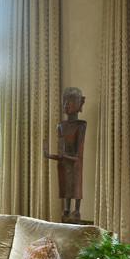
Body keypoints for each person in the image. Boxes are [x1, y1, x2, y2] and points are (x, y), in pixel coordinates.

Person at [43, 87, 86, 223]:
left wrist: (65, 156)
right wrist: (48, 155)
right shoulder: (60, 125)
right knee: (66, 187)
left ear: (80, 104)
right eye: (64, 101)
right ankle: (67, 208)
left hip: (75, 163)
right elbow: (61, 152)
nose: (66, 104)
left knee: (75, 184)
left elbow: (78, 155)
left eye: (71, 101)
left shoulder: (81, 125)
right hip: (64, 164)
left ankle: (76, 209)